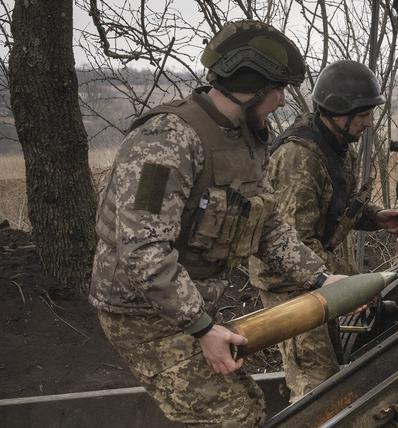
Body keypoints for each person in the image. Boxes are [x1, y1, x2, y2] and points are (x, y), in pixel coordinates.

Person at [89, 20, 349, 427]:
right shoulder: (166, 140)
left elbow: (268, 225)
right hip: (141, 312)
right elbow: (143, 251)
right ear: (251, 85)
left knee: (248, 404)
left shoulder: (246, 137)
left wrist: (320, 278)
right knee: (232, 417)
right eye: (278, 89)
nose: (283, 100)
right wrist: (203, 328)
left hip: (187, 303)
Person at [249, 59, 398, 402]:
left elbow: (334, 209)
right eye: (362, 115)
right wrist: (347, 283)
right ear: (338, 112)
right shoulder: (299, 158)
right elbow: (292, 243)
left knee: (331, 372)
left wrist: (376, 217)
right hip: (290, 283)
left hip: (316, 277)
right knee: (316, 385)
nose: (368, 123)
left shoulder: (334, 146)